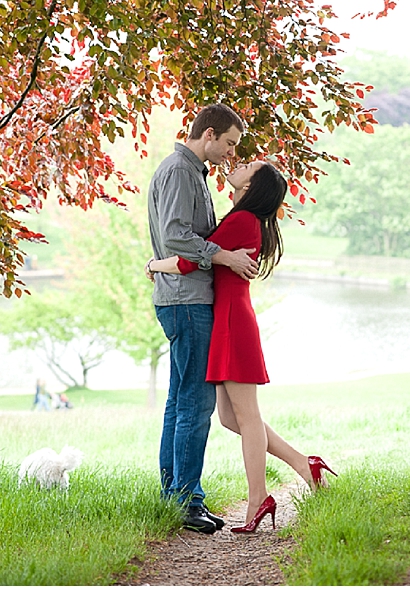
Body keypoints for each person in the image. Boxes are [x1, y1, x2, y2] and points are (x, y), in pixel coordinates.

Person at [147, 158, 337, 533]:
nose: (239, 163)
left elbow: (189, 263)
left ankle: (257, 500)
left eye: (248, 165)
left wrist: (154, 265)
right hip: (229, 320)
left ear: (251, 186)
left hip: (232, 324)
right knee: (231, 418)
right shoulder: (245, 220)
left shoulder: (241, 220)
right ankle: (304, 464)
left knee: (246, 418)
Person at [148, 103, 260, 535]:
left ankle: (178, 496)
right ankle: (185, 500)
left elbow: (181, 239)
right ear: (208, 133)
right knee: (196, 403)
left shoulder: (191, 172)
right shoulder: (180, 170)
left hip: (180, 297)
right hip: (188, 301)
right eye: (229, 143)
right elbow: (177, 234)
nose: (231, 153)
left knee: (180, 401)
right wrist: (224, 256)